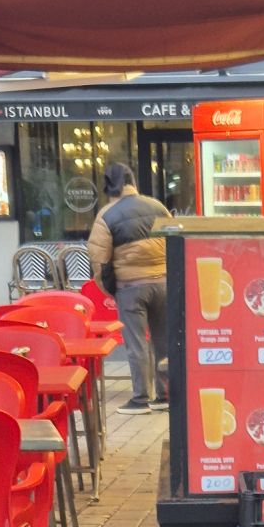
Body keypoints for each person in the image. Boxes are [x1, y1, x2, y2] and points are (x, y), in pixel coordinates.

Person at [87, 162, 172, 414]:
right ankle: (166, 394)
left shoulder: (107, 215)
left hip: (131, 288)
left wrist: (112, 289)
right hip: (164, 283)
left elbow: (99, 260)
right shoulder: (159, 207)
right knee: (163, 341)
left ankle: (140, 398)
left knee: (136, 344)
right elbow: (175, 241)